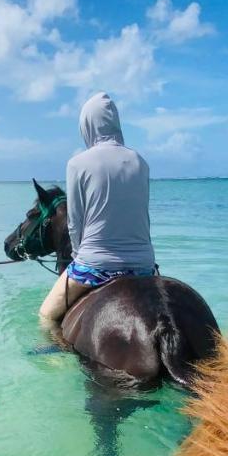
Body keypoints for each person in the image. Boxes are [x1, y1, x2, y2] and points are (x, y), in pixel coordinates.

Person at [38, 92, 154, 324]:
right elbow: (144, 217)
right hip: (144, 265)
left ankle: (54, 356)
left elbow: (75, 222)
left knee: (45, 315)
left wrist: (77, 258)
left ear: (87, 125)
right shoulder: (140, 161)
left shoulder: (77, 163)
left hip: (95, 265)